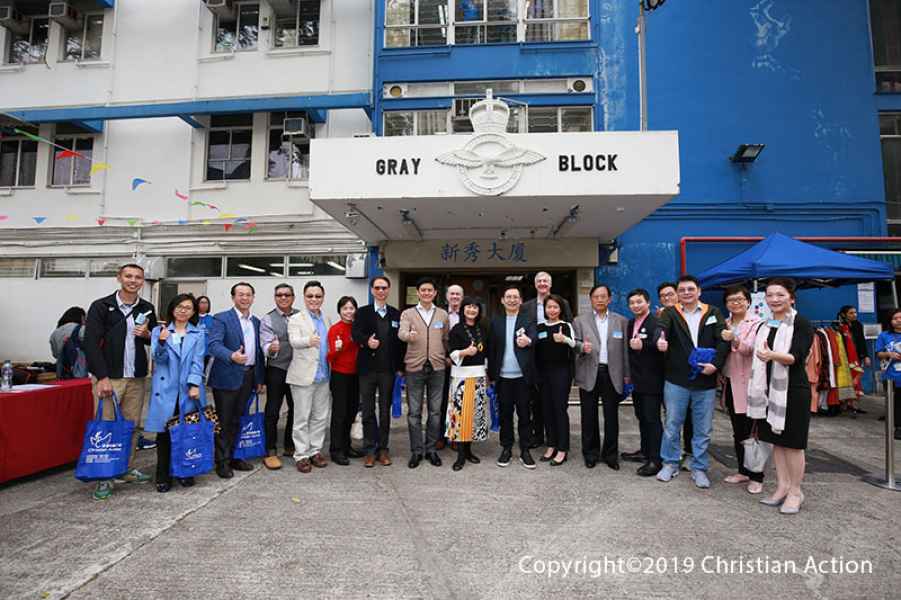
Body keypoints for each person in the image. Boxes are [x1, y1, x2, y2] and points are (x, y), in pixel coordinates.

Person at [83, 263, 158, 501]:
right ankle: (104, 476)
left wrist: (148, 335)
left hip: (136, 377)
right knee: (106, 426)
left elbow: (154, 340)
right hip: (110, 378)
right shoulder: (101, 306)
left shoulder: (147, 308)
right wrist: (102, 377)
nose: (133, 281)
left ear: (143, 281)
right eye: (129, 276)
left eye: (138, 277)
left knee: (132, 426)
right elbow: (90, 344)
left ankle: (125, 468)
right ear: (119, 278)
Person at [655, 275, 729, 489]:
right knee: (672, 424)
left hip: (706, 379)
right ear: (678, 293)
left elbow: (722, 340)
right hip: (676, 379)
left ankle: (699, 467)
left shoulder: (713, 312)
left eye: (690, 289)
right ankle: (670, 463)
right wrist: (660, 340)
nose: (686, 293)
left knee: (703, 428)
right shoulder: (670, 313)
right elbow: (661, 329)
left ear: (699, 291)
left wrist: (715, 364)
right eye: (682, 290)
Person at [749, 278, 815, 514]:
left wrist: (771, 355)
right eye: (770, 295)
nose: (774, 299)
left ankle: (796, 492)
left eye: (780, 295)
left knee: (793, 444)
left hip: (793, 390)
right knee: (776, 441)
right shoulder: (766, 324)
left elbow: (796, 357)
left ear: (791, 298)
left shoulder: (801, 323)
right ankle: (782, 486)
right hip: (768, 391)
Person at [146, 294, 206, 493]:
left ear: (193, 312)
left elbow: (198, 361)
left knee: (187, 433)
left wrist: (195, 384)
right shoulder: (159, 331)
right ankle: (163, 475)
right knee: (164, 435)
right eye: (180, 306)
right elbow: (158, 359)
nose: (183, 311)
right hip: (166, 389)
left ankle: (185, 471)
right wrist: (162, 342)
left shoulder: (198, 332)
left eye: (188, 308)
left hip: (188, 389)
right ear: (172, 309)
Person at [207, 282, 265, 479]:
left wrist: (259, 379)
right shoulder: (221, 318)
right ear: (233, 297)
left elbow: (258, 352)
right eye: (240, 294)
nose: (245, 298)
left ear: (253, 298)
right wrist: (231, 355)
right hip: (227, 376)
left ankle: (235, 456)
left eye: (248, 294)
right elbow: (213, 345)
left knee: (240, 419)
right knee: (224, 421)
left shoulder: (256, 322)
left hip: (249, 376)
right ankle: (222, 462)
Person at [573, 284, 630, 471]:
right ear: (591, 299)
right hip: (589, 372)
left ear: (609, 299)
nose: (599, 299)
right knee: (588, 416)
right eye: (596, 296)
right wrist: (582, 348)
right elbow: (574, 345)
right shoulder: (579, 321)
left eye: (603, 296)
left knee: (611, 417)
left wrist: (627, 375)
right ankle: (590, 454)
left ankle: (611, 455)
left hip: (612, 374)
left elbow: (625, 351)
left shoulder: (621, 321)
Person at [352, 276, 405, 468]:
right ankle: (369, 450)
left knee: (384, 412)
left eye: (384, 288)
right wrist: (367, 341)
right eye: (377, 288)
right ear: (372, 290)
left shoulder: (396, 314)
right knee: (367, 411)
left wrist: (400, 368)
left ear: (388, 290)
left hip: (387, 371)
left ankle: (383, 449)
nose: (381, 291)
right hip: (367, 370)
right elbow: (355, 334)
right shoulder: (363, 312)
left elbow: (400, 343)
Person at [399, 277, 450, 469]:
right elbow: (401, 333)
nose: (427, 293)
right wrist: (408, 335)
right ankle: (416, 451)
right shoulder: (408, 313)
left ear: (435, 293)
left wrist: (447, 356)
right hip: (415, 367)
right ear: (418, 293)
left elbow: (446, 338)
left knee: (435, 412)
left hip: (437, 367)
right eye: (423, 290)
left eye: (430, 290)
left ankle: (431, 449)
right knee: (414, 412)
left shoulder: (442, 314)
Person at [720, 285, 764, 493]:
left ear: (748, 301)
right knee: (738, 429)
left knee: (752, 431)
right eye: (731, 300)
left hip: (749, 384)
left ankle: (757, 476)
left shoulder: (757, 324)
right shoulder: (724, 323)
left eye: (739, 299)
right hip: (730, 382)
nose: (735, 303)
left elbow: (751, 350)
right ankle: (743, 471)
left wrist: (735, 339)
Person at [487, 285, 537, 469]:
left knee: (524, 415)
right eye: (508, 297)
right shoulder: (496, 321)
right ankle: (506, 448)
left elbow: (535, 337)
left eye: (515, 297)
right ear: (502, 300)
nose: (512, 300)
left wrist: (529, 340)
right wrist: (491, 375)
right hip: (503, 377)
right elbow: (492, 349)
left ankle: (525, 449)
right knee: (505, 415)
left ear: (521, 300)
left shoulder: (528, 319)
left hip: (523, 377)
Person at [522, 272, 573, 449]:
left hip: (559, 363)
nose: (542, 283)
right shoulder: (526, 306)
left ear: (550, 284)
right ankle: (539, 437)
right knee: (538, 403)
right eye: (539, 281)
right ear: (535, 284)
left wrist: (566, 341)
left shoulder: (563, 303)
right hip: (536, 361)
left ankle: (560, 443)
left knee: (558, 406)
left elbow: (569, 330)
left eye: (546, 281)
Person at [287, 281, 333, 473]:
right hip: (303, 376)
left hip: (324, 376)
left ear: (323, 298)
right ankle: (301, 455)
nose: (314, 299)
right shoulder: (295, 319)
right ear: (304, 298)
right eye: (310, 296)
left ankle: (315, 451)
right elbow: (293, 341)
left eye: (318, 296)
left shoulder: (327, 319)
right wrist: (308, 341)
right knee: (302, 418)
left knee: (320, 417)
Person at [623, 289, 664, 476]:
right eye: (632, 303)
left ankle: (656, 460)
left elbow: (661, 348)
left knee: (652, 419)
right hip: (637, 380)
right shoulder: (631, 323)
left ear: (647, 302)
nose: (635, 305)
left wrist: (644, 346)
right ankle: (645, 451)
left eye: (639, 302)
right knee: (641, 417)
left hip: (653, 379)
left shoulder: (657, 323)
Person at [446, 296, 490, 471]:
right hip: (461, 378)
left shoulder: (483, 329)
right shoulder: (456, 329)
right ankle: (460, 455)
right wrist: (465, 352)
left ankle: (469, 451)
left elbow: (486, 353)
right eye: (468, 307)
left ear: (479, 311)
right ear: (463, 309)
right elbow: (451, 353)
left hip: (478, 376)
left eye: (475, 307)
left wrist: (488, 374)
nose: (472, 310)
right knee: (460, 417)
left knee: (473, 416)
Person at [259, 284, 300, 470]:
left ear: (293, 297)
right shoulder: (267, 319)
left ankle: (290, 444)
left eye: (287, 295)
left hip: (298, 369)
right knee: (273, 410)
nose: (283, 298)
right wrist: (271, 349)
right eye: (279, 295)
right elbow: (265, 345)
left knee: (296, 408)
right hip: (277, 369)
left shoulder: (301, 316)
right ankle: (270, 449)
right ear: (275, 297)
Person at [534, 294, 576, 466]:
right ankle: (551, 445)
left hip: (561, 373)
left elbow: (575, 345)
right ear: (545, 309)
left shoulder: (565, 326)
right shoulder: (539, 327)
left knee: (559, 409)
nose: (552, 310)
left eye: (555, 307)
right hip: (543, 374)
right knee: (547, 410)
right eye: (549, 307)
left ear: (560, 309)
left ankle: (562, 449)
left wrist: (564, 339)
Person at [658, 280, 693, 468]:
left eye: (670, 294)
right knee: (671, 417)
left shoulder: (689, 316)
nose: (667, 298)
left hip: (691, 374)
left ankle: (690, 453)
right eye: (663, 296)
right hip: (668, 375)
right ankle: (673, 454)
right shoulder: (660, 317)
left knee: (690, 417)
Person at [327, 296, 360, 466]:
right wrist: (339, 348)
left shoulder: (358, 327)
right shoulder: (335, 329)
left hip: (356, 375)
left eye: (351, 308)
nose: (348, 311)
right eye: (345, 308)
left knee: (351, 412)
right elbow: (329, 357)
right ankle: (336, 450)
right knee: (339, 414)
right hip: (340, 375)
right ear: (339, 311)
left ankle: (347, 446)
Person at [440, 284, 465, 450]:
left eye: (458, 294)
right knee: (441, 401)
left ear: (462, 297)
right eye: (452, 294)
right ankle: (440, 436)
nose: (455, 297)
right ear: (447, 296)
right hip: (443, 363)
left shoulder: (468, 313)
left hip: (462, 364)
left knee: (459, 401)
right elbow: (436, 338)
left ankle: (456, 436)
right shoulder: (439, 313)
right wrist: (445, 357)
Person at [875, 308, 901, 441]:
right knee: (896, 403)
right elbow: (879, 353)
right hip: (892, 376)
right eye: (895, 318)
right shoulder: (884, 336)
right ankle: (898, 427)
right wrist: (889, 354)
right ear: (890, 321)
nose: (899, 320)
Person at [837, 305, 868, 414]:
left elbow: (862, 341)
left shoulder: (858, 325)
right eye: (851, 313)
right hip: (844, 357)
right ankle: (843, 404)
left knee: (856, 379)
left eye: (855, 312)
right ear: (844, 314)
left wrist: (865, 356)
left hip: (856, 356)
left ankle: (853, 404)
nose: (854, 315)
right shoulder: (839, 326)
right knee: (845, 380)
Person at [50, 306, 86, 379]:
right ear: (81, 317)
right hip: (80, 372)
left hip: (62, 373)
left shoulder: (54, 333)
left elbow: (55, 354)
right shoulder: (81, 329)